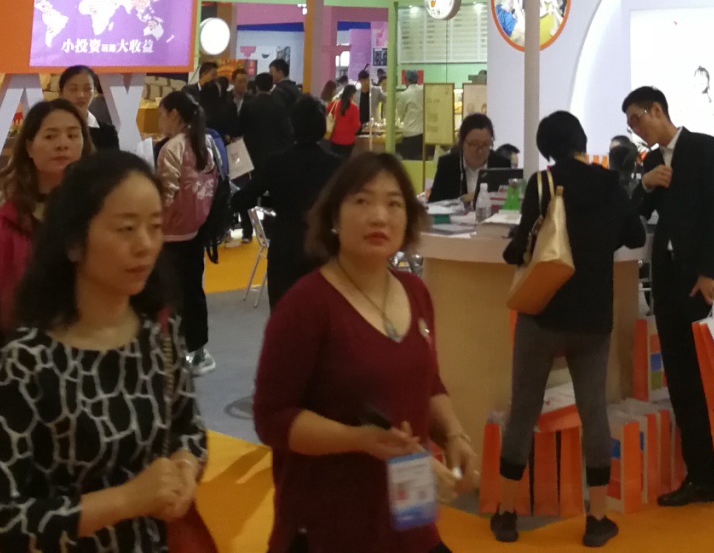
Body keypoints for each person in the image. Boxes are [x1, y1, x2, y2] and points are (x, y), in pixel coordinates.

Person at [0, 151, 207, 553]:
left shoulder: (158, 335)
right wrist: (126, 500)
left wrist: (185, 464)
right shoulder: (29, 361)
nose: (145, 245)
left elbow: (187, 427)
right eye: (126, 228)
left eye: (155, 226)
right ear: (75, 244)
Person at [253, 151, 476, 553]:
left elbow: (428, 383)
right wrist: (358, 439)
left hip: (410, 524)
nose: (379, 216)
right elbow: (272, 418)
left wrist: (454, 435)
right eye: (362, 201)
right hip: (328, 528)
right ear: (334, 218)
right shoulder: (306, 305)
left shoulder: (415, 292)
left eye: (394, 204)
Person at [494, 111, 646, 547]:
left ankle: (506, 513)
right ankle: (597, 518)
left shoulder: (543, 184)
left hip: (543, 312)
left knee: (523, 409)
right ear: (581, 140)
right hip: (593, 318)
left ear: (545, 149)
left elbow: (522, 247)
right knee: (593, 412)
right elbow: (635, 236)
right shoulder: (610, 183)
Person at [623, 86, 714, 506]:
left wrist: (709, 272)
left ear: (656, 109)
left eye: (637, 119)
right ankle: (702, 477)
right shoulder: (651, 161)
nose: (636, 129)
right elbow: (634, 215)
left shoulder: (703, 148)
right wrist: (645, 184)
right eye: (629, 125)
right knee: (682, 381)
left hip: (700, 278)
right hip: (667, 279)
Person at [0, 97, 93, 466]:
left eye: (73, 134)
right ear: (29, 147)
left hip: (95, 387)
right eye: (51, 136)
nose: (63, 143)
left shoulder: (105, 219)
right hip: (24, 394)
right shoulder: (0, 229)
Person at [236, 94, 341, 308]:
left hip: (285, 247)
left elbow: (243, 199)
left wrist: (264, 200)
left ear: (293, 126)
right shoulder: (336, 165)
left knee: (283, 313)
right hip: (323, 247)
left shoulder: (276, 162)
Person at [156, 89, 219, 376]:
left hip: (170, 235)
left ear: (173, 115)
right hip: (197, 231)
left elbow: (166, 195)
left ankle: (170, 353)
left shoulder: (172, 148)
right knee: (193, 291)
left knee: (168, 295)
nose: (159, 122)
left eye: (161, 115)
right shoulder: (206, 143)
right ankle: (198, 351)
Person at [428, 113, 509, 205]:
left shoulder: (501, 164)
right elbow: (434, 204)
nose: (480, 151)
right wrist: (461, 201)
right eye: (474, 144)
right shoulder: (448, 165)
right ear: (462, 143)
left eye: (485, 144)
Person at [240, 70, 294, 169]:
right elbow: (286, 130)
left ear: (257, 87)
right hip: (275, 152)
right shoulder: (279, 105)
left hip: (253, 151)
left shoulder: (248, 105)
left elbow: (241, 128)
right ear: (271, 86)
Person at [59, 64, 119, 152]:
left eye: (87, 89)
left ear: (94, 92)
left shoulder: (108, 133)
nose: (80, 95)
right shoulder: (49, 128)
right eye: (73, 89)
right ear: (61, 93)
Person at [397, 70, 425, 160]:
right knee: (420, 162)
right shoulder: (423, 90)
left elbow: (400, 113)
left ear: (406, 80)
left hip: (409, 135)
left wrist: (401, 120)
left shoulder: (404, 94)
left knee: (409, 162)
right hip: (423, 134)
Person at [329, 83, 362, 152]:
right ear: (352, 95)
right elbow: (356, 126)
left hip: (334, 139)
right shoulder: (354, 108)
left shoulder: (334, 104)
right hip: (348, 141)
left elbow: (326, 114)